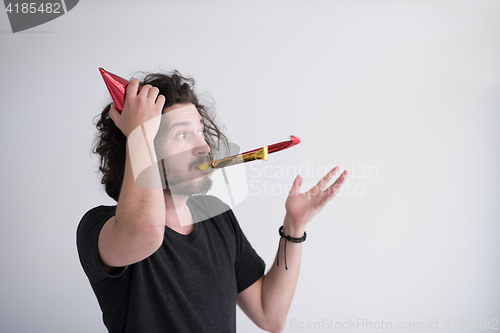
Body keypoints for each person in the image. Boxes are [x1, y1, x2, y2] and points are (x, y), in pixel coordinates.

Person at [77, 70, 348, 333]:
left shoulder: (217, 217)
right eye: (183, 135)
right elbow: (145, 232)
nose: (205, 147)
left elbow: (270, 316)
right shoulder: (100, 226)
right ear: (142, 146)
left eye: (200, 132)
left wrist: (294, 226)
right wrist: (139, 132)